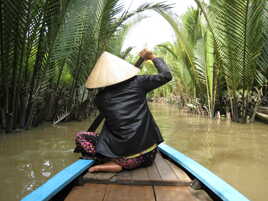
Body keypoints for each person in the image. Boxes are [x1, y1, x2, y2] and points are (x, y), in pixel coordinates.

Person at [74, 49, 172, 173]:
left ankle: (113, 161)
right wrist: (152, 57)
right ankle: (120, 163)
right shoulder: (139, 82)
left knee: (81, 137)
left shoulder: (100, 99)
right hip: (148, 154)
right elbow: (166, 75)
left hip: (124, 156)